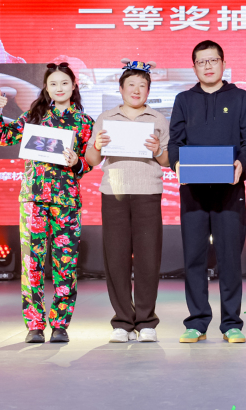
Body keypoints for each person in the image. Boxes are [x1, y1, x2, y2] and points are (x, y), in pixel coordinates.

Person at [0, 62, 94, 344]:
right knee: (31, 263)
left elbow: (88, 163)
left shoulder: (85, 122)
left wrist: (77, 162)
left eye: (64, 83)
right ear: (46, 87)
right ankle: (34, 325)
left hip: (66, 200)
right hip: (33, 198)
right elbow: (2, 136)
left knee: (65, 265)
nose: (59, 88)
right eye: (53, 83)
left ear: (73, 86)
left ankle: (60, 325)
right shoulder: (34, 116)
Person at [168, 40, 246, 344]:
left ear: (223, 63)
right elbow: (175, 141)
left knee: (229, 258)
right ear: (194, 67)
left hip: (229, 190)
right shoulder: (183, 99)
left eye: (213, 60)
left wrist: (241, 164)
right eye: (201, 61)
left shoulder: (240, 97)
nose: (207, 66)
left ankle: (231, 323)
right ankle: (197, 322)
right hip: (193, 191)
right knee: (194, 257)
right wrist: (177, 164)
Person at [85, 60, 170, 344]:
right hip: (115, 192)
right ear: (120, 89)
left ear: (148, 90)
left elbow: (167, 160)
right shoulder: (106, 118)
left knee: (148, 258)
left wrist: (158, 151)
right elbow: (92, 160)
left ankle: (146, 321)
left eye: (142, 85)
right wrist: (97, 146)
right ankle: (122, 322)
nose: (136, 90)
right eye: (131, 85)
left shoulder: (157, 119)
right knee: (116, 258)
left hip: (148, 192)